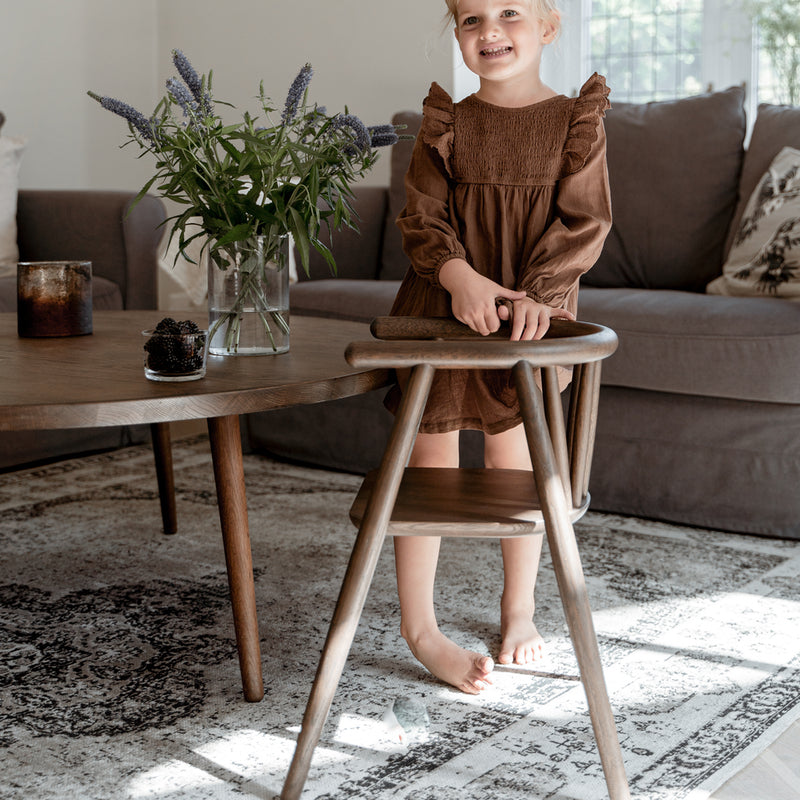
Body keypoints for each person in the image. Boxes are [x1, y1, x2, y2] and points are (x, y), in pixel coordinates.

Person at [384, 0, 613, 694]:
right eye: (470, 19)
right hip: (445, 307)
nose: (489, 32)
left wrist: (537, 294)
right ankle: (419, 629)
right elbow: (421, 219)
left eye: (510, 12)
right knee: (430, 459)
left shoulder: (577, 121)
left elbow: (584, 220)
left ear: (548, 27)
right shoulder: (446, 123)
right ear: (455, 33)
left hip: (530, 315)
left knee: (517, 457)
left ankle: (519, 609)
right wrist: (458, 279)